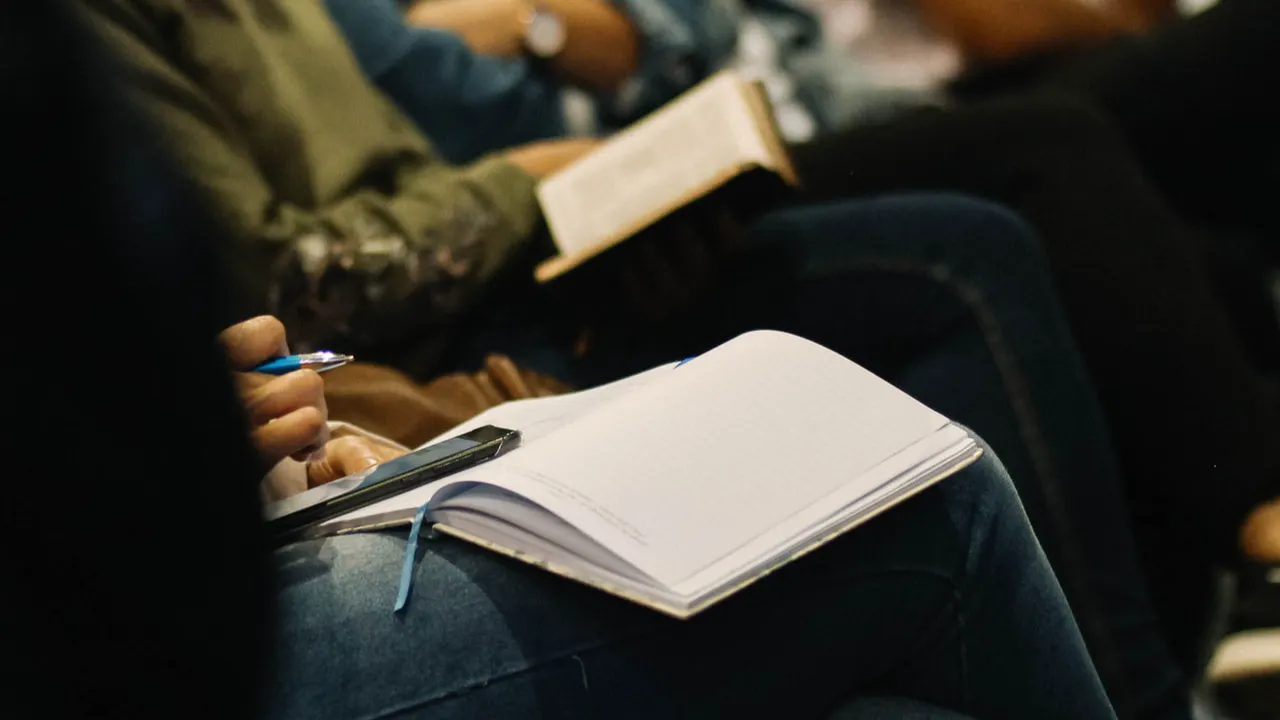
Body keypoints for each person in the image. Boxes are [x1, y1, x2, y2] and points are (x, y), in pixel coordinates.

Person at [80, 1, 1192, 717]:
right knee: (926, 495)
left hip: (349, 417)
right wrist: (535, 171)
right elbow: (299, 269)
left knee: (889, 686)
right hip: (243, 550)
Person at [324, 0, 1280, 674]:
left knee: (1193, 232)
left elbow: (684, 37)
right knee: (995, 213)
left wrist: (569, 32)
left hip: (779, 127)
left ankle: (1206, 619)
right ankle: (1226, 574)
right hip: (559, 233)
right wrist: (556, 66)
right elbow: (450, 104)